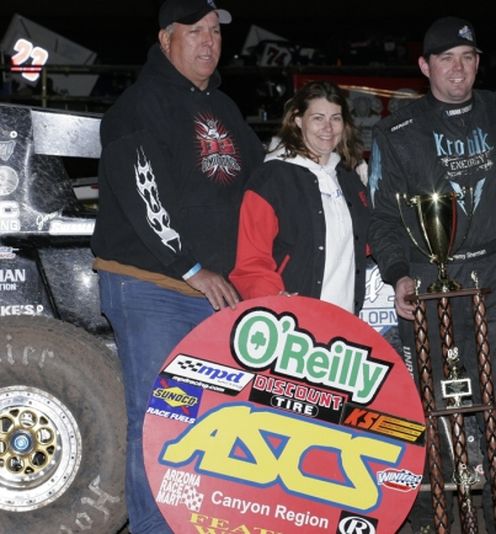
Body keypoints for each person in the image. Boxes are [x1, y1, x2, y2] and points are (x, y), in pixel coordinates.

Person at [90, 0, 264, 531]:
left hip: (215, 293)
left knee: (215, 422)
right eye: (196, 32)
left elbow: (265, 179)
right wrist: (190, 267)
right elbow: (143, 195)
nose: (209, 42)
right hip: (154, 288)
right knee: (162, 418)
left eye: (215, 32)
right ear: (166, 39)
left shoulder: (224, 109)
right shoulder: (138, 107)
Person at [368, 16, 496, 534]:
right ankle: (442, 520)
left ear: (478, 62)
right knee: (438, 410)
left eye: (467, 57)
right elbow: (382, 215)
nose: (457, 69)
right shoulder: (395, 132)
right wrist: (398, 275)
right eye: (445, 59)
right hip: (430, 278)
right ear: (425, 66)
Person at [230, 81, 370, 313]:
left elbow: (364, 243)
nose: (328, 127)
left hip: (346, 321)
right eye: (317, 118)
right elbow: (250, 263)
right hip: (293, 322)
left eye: (335, 118)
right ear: (297, 120)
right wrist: (273, 299)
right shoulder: (271, 178)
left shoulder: (349, 177)